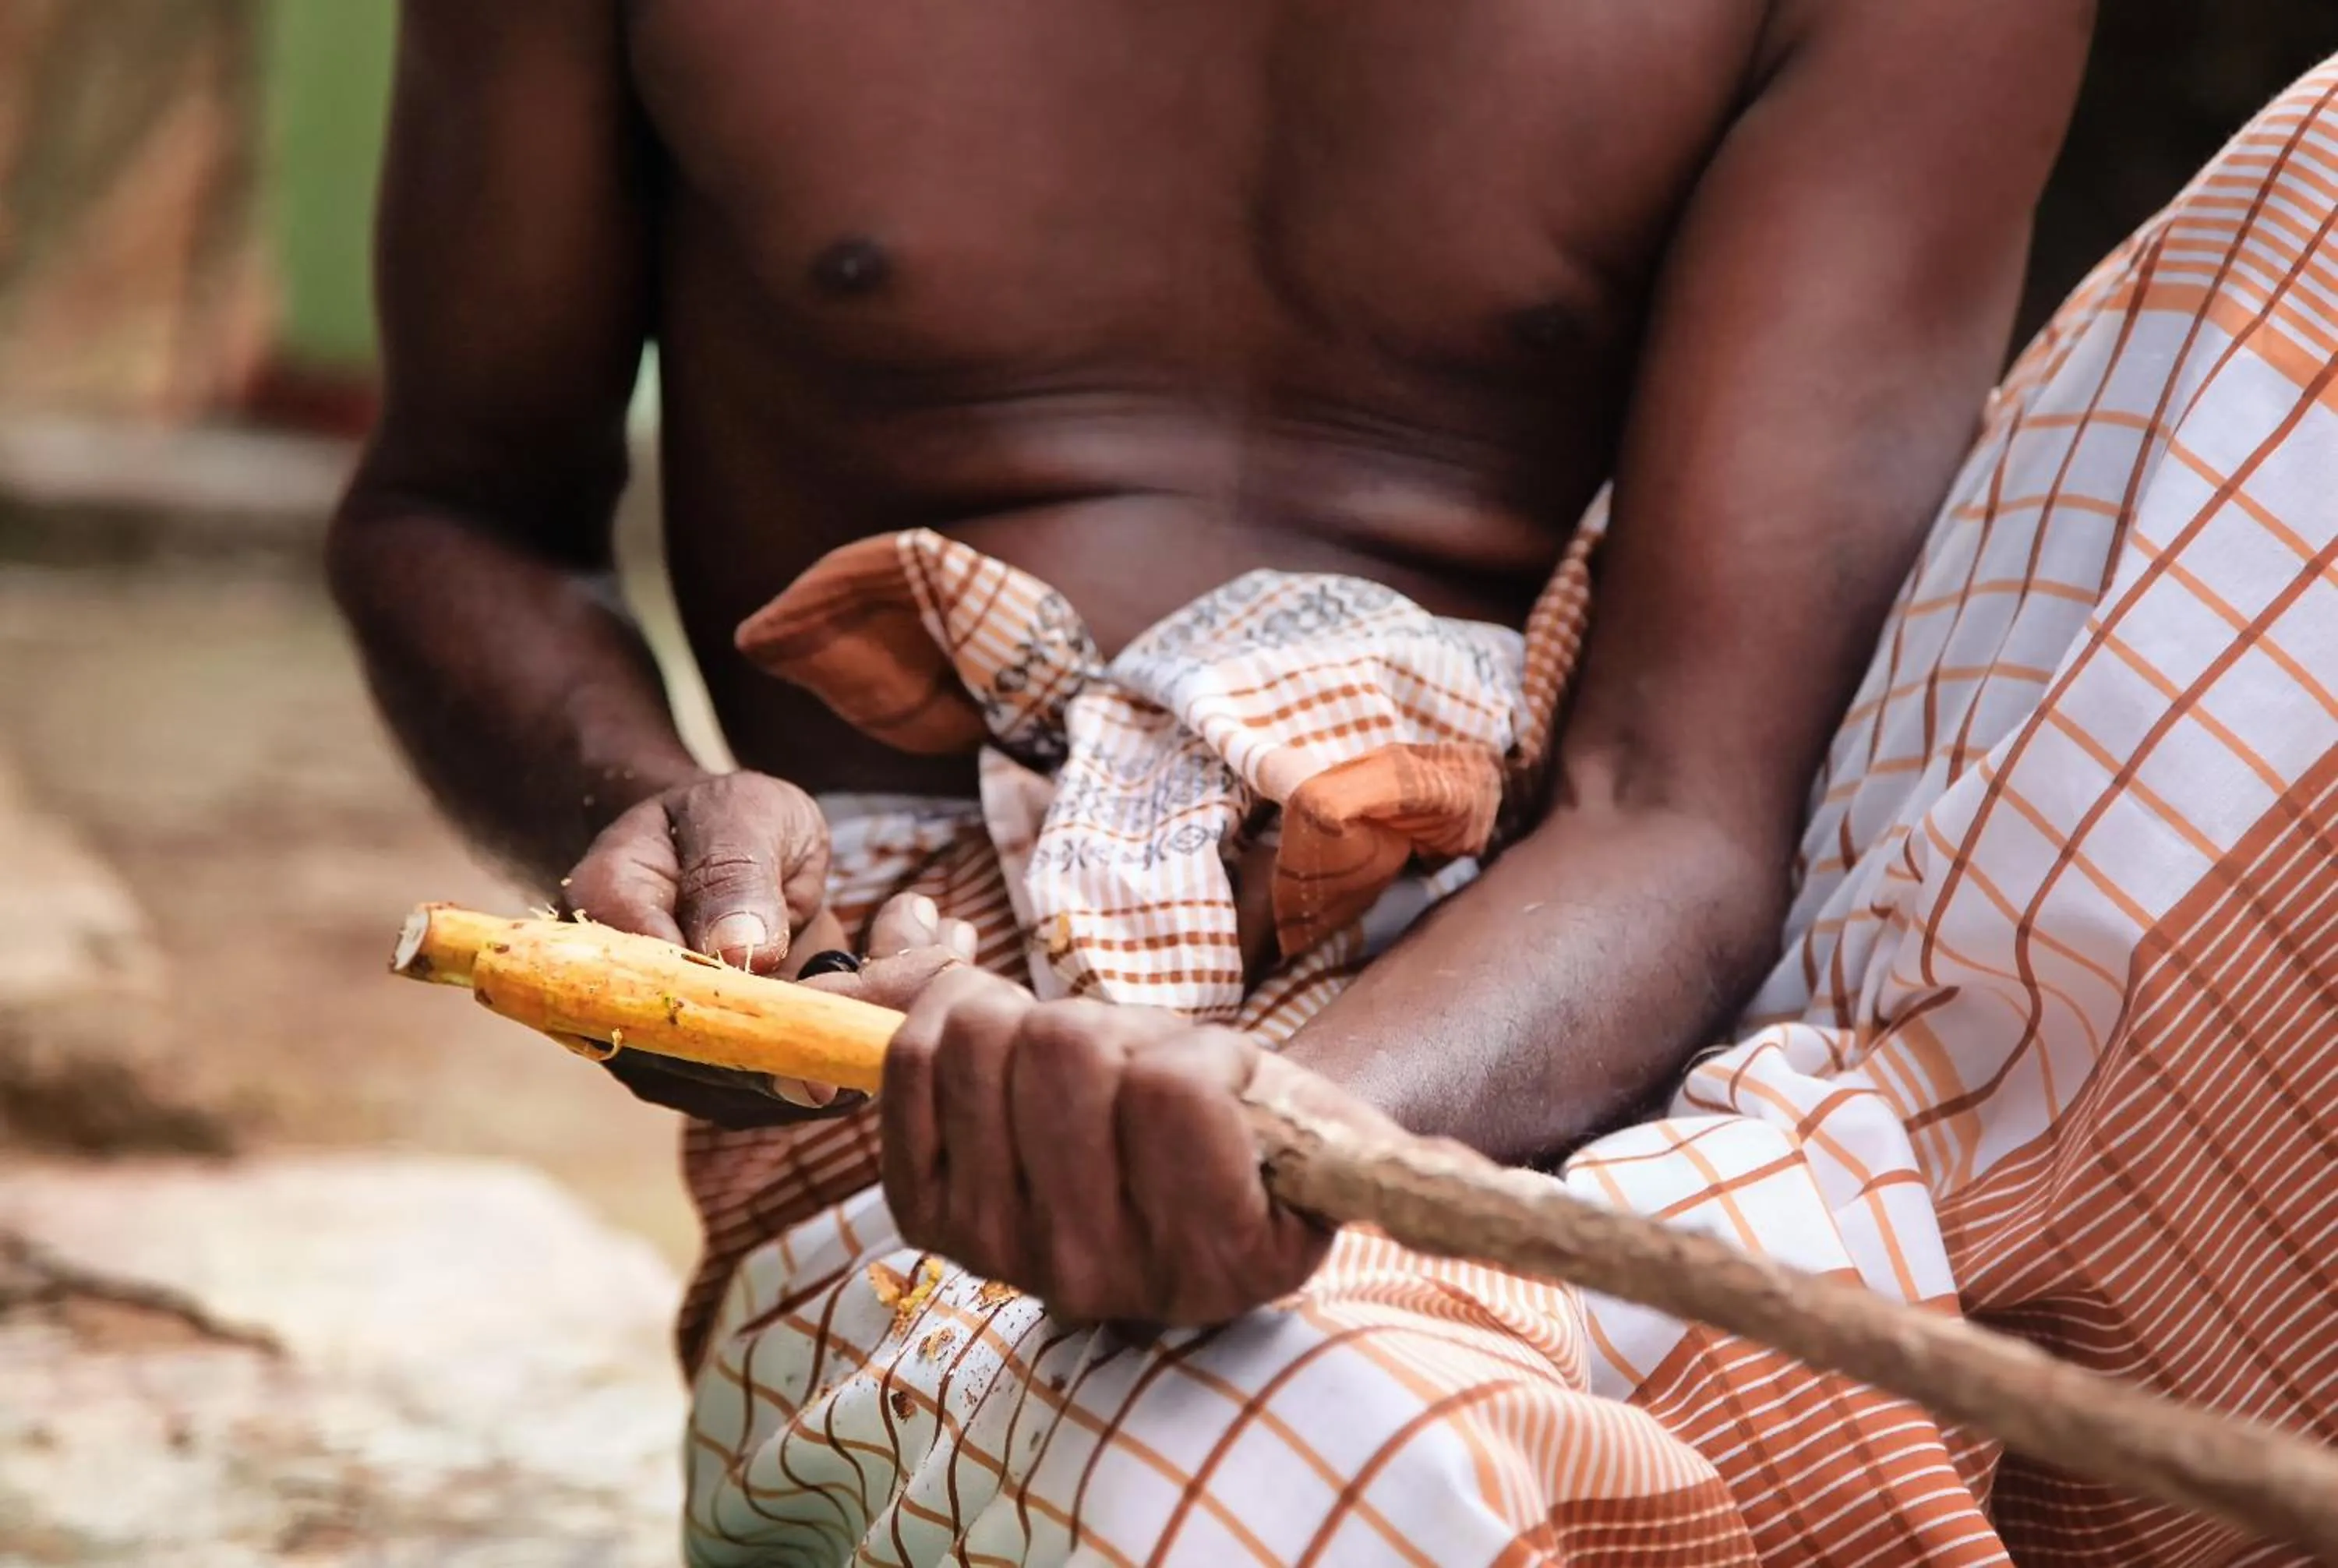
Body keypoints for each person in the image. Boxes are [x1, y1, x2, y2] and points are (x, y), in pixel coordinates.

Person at [330, 0, 2338, 1560]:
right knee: (1299, 1460)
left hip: (1629, 1028)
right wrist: (650, 794)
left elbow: (1679, 806)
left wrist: (1273, 1133)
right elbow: (462, 507)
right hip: (917, 1092)